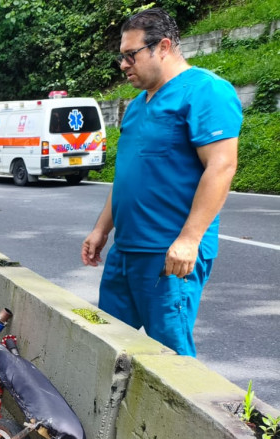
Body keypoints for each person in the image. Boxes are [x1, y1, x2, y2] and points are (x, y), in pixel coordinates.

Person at [81, 8, 241, 357]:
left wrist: (190, 239)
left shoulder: (206, 91)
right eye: (121, 56)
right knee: (109, 347)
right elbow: (128, 175)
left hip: (168, 254)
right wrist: (101, 230)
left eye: (131, 55)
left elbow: (222, 166)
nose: (123, 65)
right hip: (126, 251)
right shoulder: (137, 106)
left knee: (169, 358)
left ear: (163, 47)